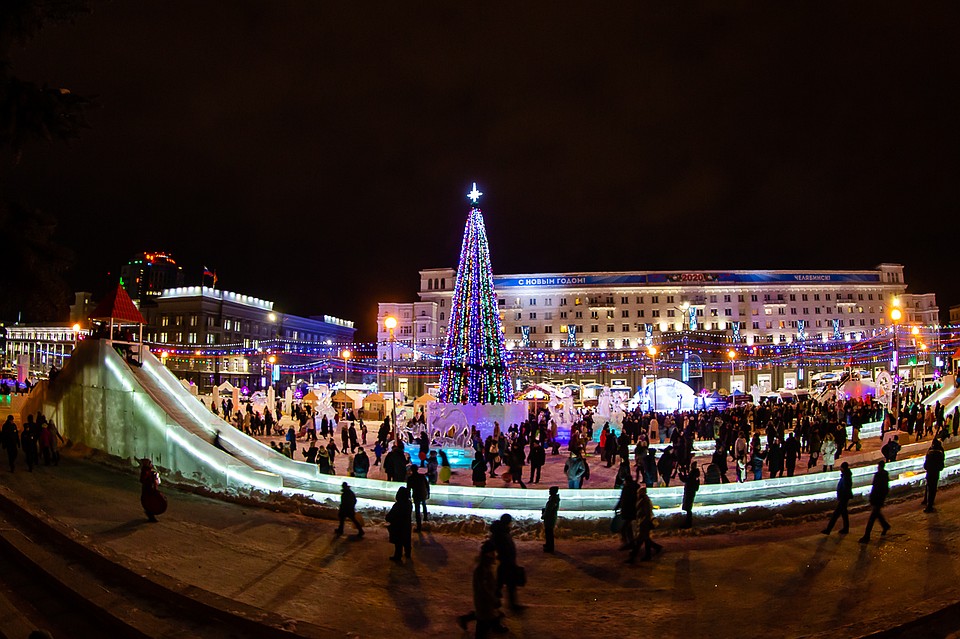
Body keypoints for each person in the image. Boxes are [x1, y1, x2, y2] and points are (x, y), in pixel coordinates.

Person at [457, 541, 505, 637]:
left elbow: (490, 584)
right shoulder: (481, 569)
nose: (495, 555)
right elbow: (483, 590)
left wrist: (496, 591)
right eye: (492, 553)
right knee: (483, 623)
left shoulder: (487, 566)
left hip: (488, 600)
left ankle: (495, 626)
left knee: (493, 614)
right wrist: (493, 599)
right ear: (487, 554)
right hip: (484, 602)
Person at [489, 514, 524, 610]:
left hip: (507, 561)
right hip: (506, 561)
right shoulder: (500, 533)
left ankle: (496, 602)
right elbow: (496, 545)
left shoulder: (502, 531)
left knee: (503, 584)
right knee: (508, 583)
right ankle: (496, 602)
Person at [627, 485, 662, 563]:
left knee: (639, 541)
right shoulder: (644, 499)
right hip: (644, 522)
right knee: (646, 539)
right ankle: (651, 552)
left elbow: (644, 512)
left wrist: (641, 522)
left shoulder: (643, 500)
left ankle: (633, 557)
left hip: (644, 523)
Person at [859, 461, 891, 543]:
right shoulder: (885, 474)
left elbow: (875, 487)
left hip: (877, 498)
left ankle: (867, 536)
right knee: (877, 514)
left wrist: (872, 497)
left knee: (872, 518)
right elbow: (886, 488)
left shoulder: (878, 475)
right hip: (880, 498)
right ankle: (885, 526)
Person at [821, 462, 853, 535]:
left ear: (843, 468)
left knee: (836, 515)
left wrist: (842, 496)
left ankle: (829, 529)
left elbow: (846, 488)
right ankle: (845, 528)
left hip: (843, 498)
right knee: (844, 514)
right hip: (844, 498)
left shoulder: (846, 477)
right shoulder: (846, 475)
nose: (840, 469)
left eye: (841, 468)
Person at [386, 486, 412, 562]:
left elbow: (391, 515)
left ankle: (398, 556)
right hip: (406, 525)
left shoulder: (398, 505)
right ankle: (408, 553)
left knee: (398, 542)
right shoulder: (409, 503)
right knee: (406, 540)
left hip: (398, 525)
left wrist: (388, 518)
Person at [139, 458, 167, 523]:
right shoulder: (145, 471)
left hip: (151, 489)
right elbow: (143, 480)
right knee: (149, 503)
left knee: (150, 502)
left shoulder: (149, 471)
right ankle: (150, 516)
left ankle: (151, 515)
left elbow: (157, 481)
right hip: (148, 490)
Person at [615, 475, 638, 551]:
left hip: (630, 511)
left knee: (624, 529)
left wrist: (618, 507)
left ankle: (628, 544)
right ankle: (631, 543)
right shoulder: (631, 488)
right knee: (628, 529)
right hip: (629, 511)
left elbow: (623, 499)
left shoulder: (629, 488)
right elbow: (622, 499)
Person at [922, 438, 945, 512]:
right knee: (933, 489)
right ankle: (930, 506)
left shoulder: (929, 453)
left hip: (929, 473)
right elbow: (941, 466)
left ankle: (926, 501)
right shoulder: (940, 454)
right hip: (935, 473)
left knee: (928, 487)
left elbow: (925, 465)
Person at [407, 465, 430, 532]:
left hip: (416, 494)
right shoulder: (422, 476)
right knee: (424, 504)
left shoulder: (410, 478)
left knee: (417, 510)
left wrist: (408, 496)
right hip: (423, 493)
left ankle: (419, 526)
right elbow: (427, 485)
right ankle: (425, 518)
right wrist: (428, 493)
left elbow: (408, 489)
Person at [679, 462, 700, 528]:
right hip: (690, 492)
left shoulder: (693, 474)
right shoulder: (695, 474)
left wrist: (680, 474)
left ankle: (688, 523)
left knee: (688, 508)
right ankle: (688, 523)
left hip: (689, 492)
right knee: (688, 507)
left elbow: (685, 479)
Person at [541, 486, 560, 553]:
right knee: (548, 532)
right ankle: (548, 545)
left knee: (549, 533)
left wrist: (544, 515)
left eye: (550, 490)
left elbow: (549, 510)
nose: (549, 492)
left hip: (550, 519)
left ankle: (550, 546)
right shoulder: (554, 499)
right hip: (550, 518)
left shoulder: (553, 500)